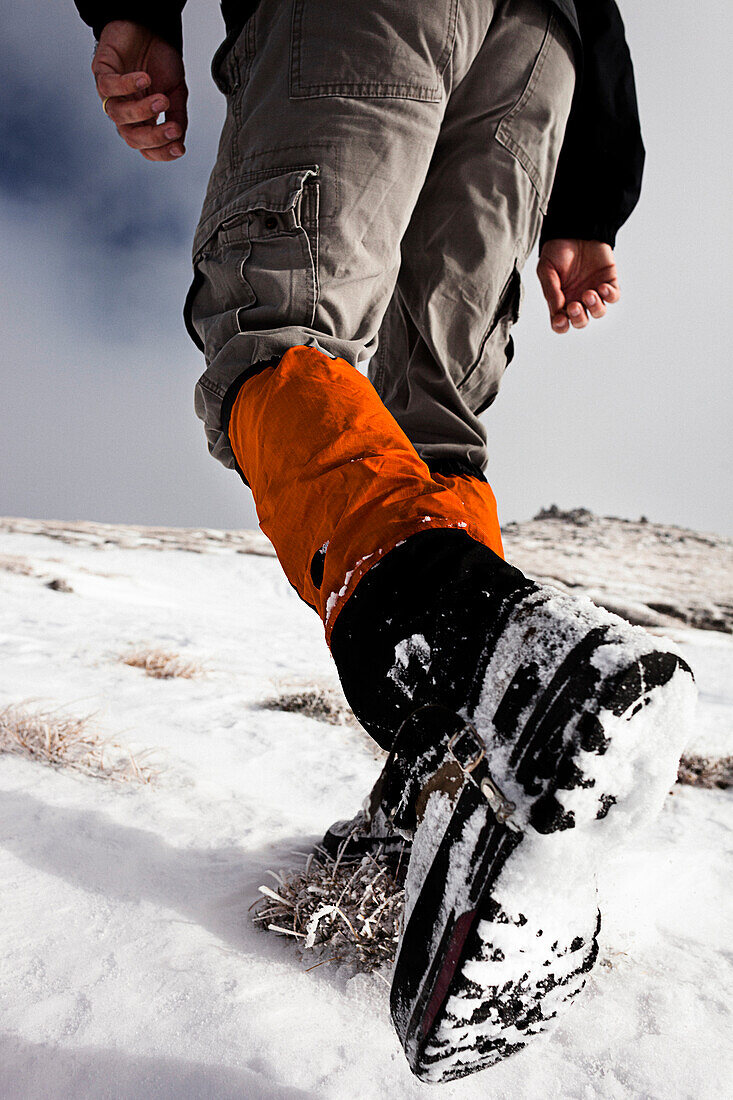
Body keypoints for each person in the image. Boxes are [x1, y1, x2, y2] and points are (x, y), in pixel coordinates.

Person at [74, 0, 696, 1082]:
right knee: (430, 420)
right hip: (538, 52)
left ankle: (475, 670)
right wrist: (588, 199)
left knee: (274, 324)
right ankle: (447, 793)